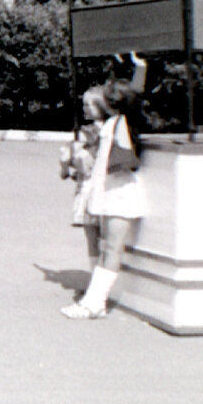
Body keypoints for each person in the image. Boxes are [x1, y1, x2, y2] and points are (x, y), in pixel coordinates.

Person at [61, 55, 148, 320]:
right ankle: (94, 299)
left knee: (111, 248)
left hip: (120, 193)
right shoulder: (112, 123)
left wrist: (140, 68)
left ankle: (95, 303)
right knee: (107, 247)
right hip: (111, 192)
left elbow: (136, 94)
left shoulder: (124, 121)